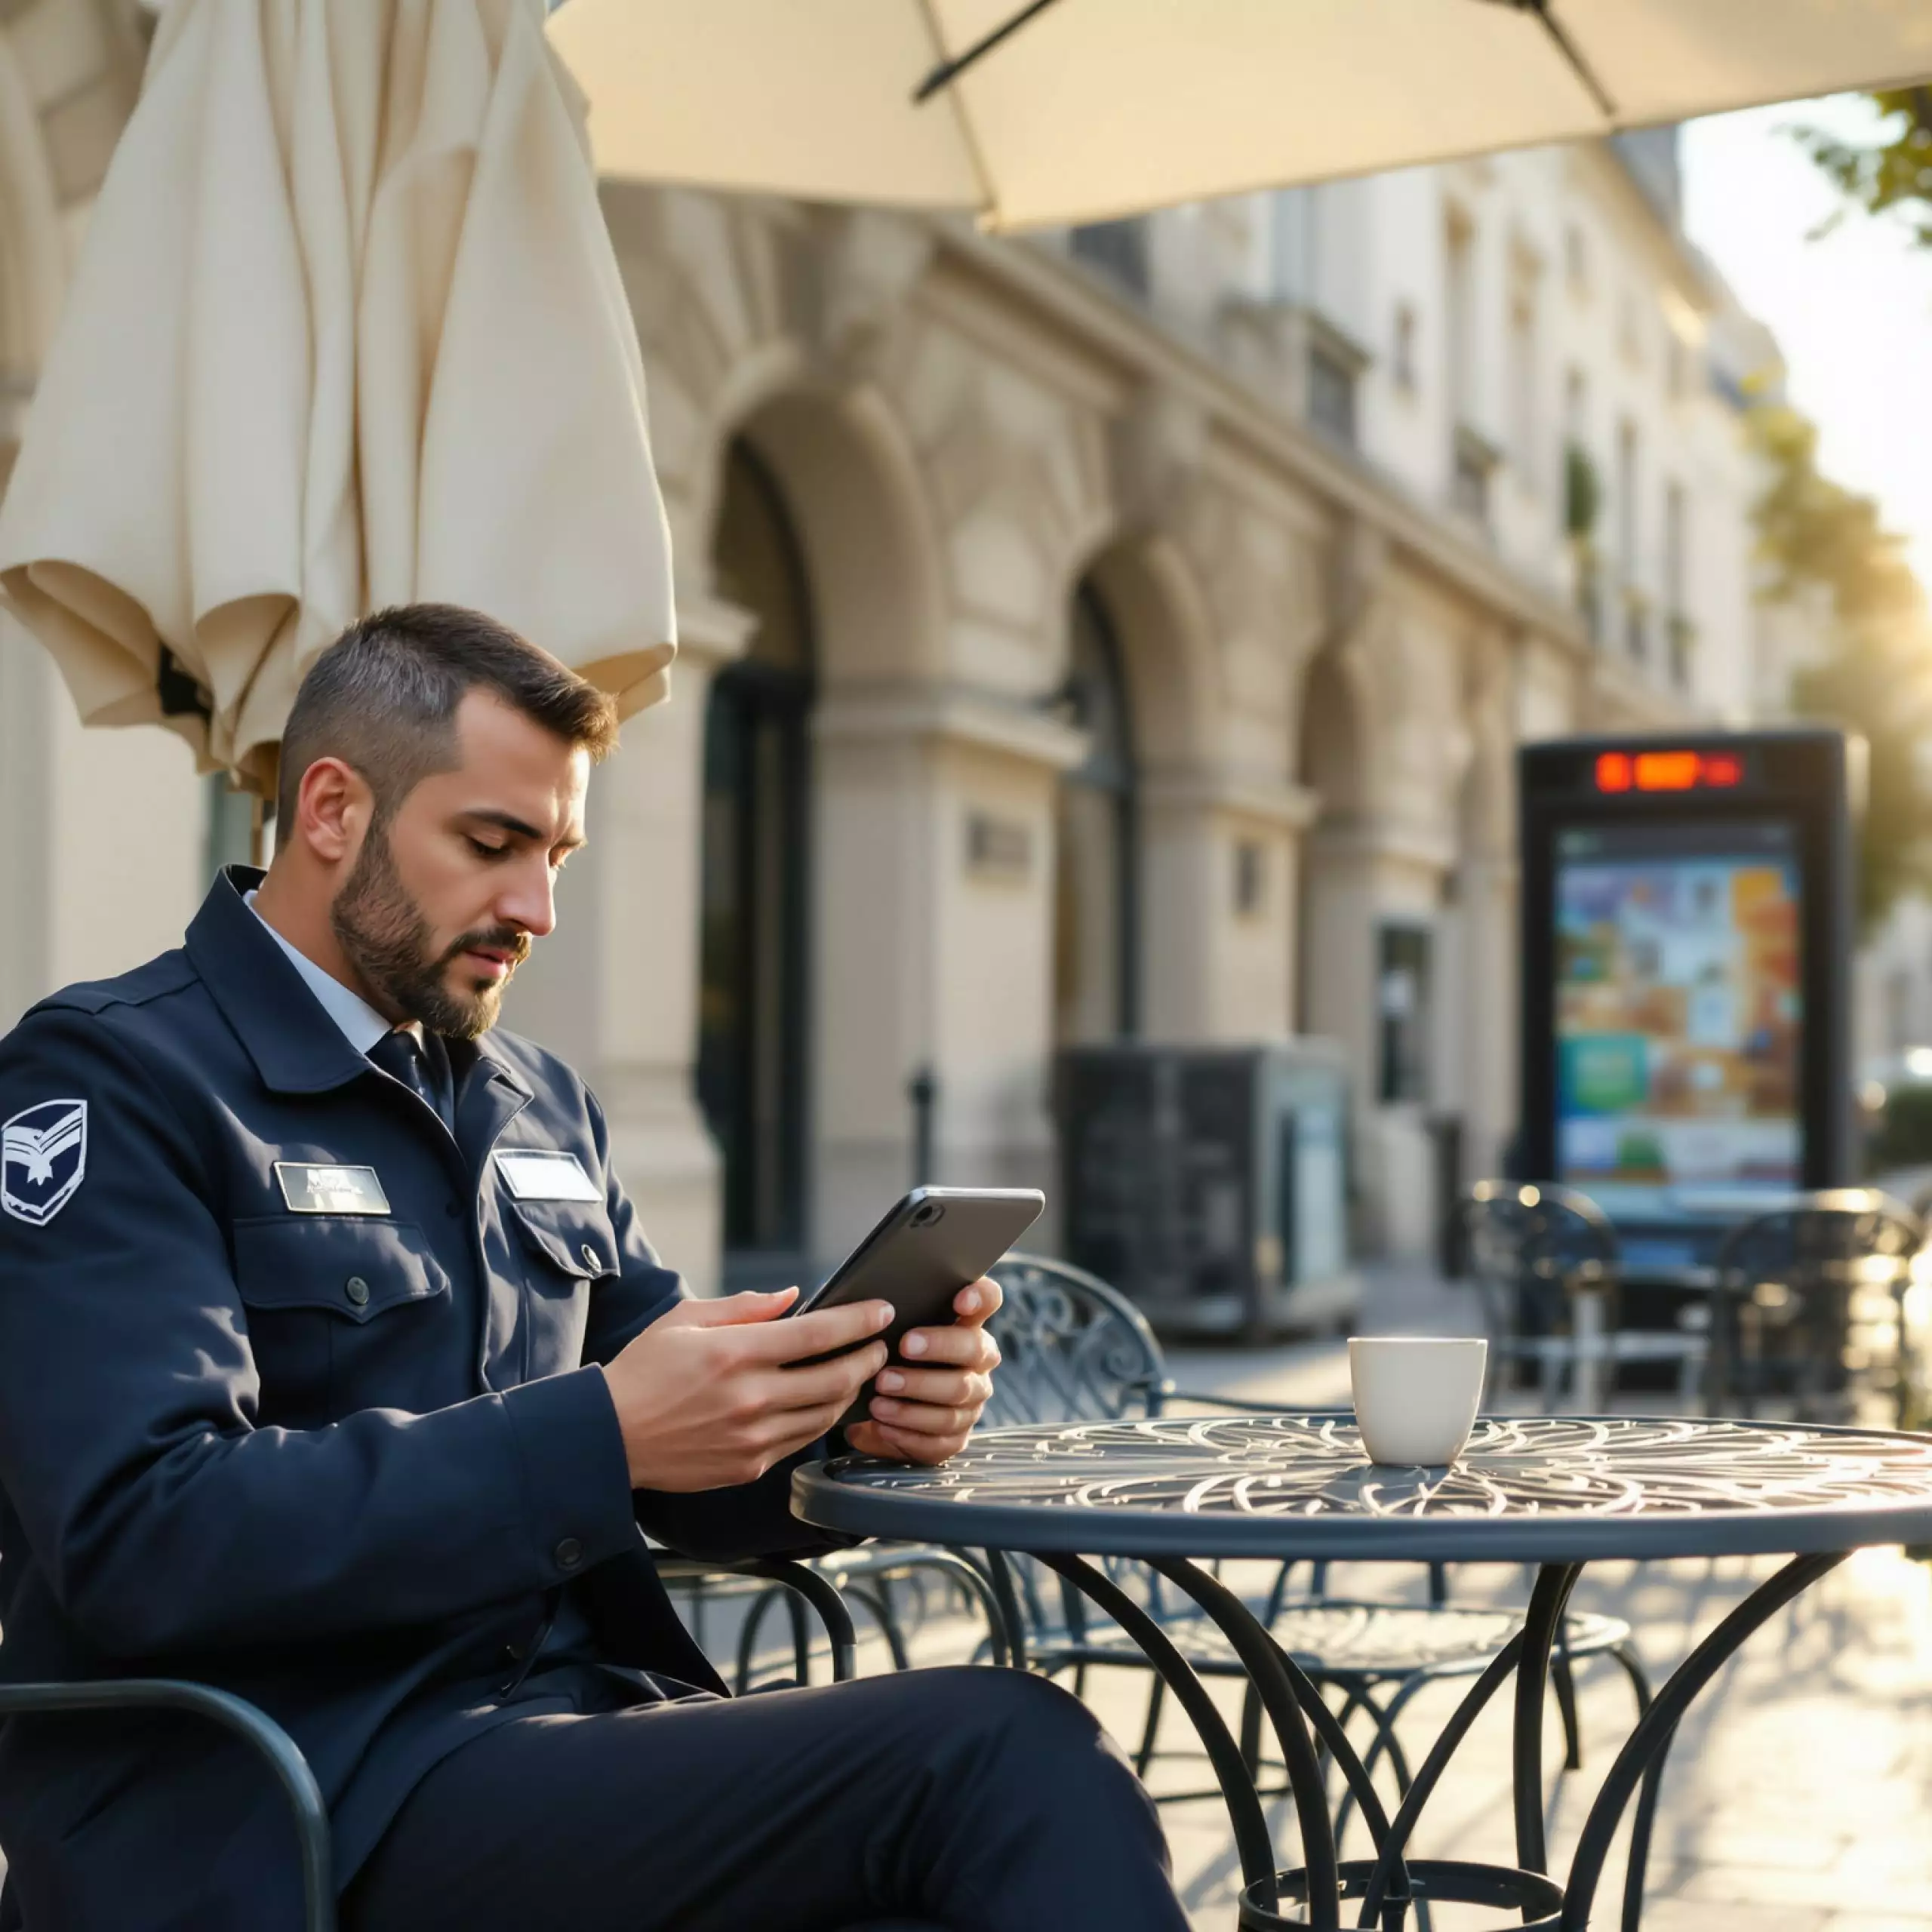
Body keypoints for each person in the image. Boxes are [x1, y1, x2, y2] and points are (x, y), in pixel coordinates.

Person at [0, 605, 1188, 1932]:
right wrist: (604, 1432)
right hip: (283, 1799)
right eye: (493, 844)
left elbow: (677, 1464)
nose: (538, 909)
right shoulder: (113, 1077)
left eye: (557, 853)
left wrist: (850, 1423)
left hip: (568, 1742)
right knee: (1006, 1751)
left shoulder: (533, 1097)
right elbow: (141, 1534)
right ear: (330, 808)